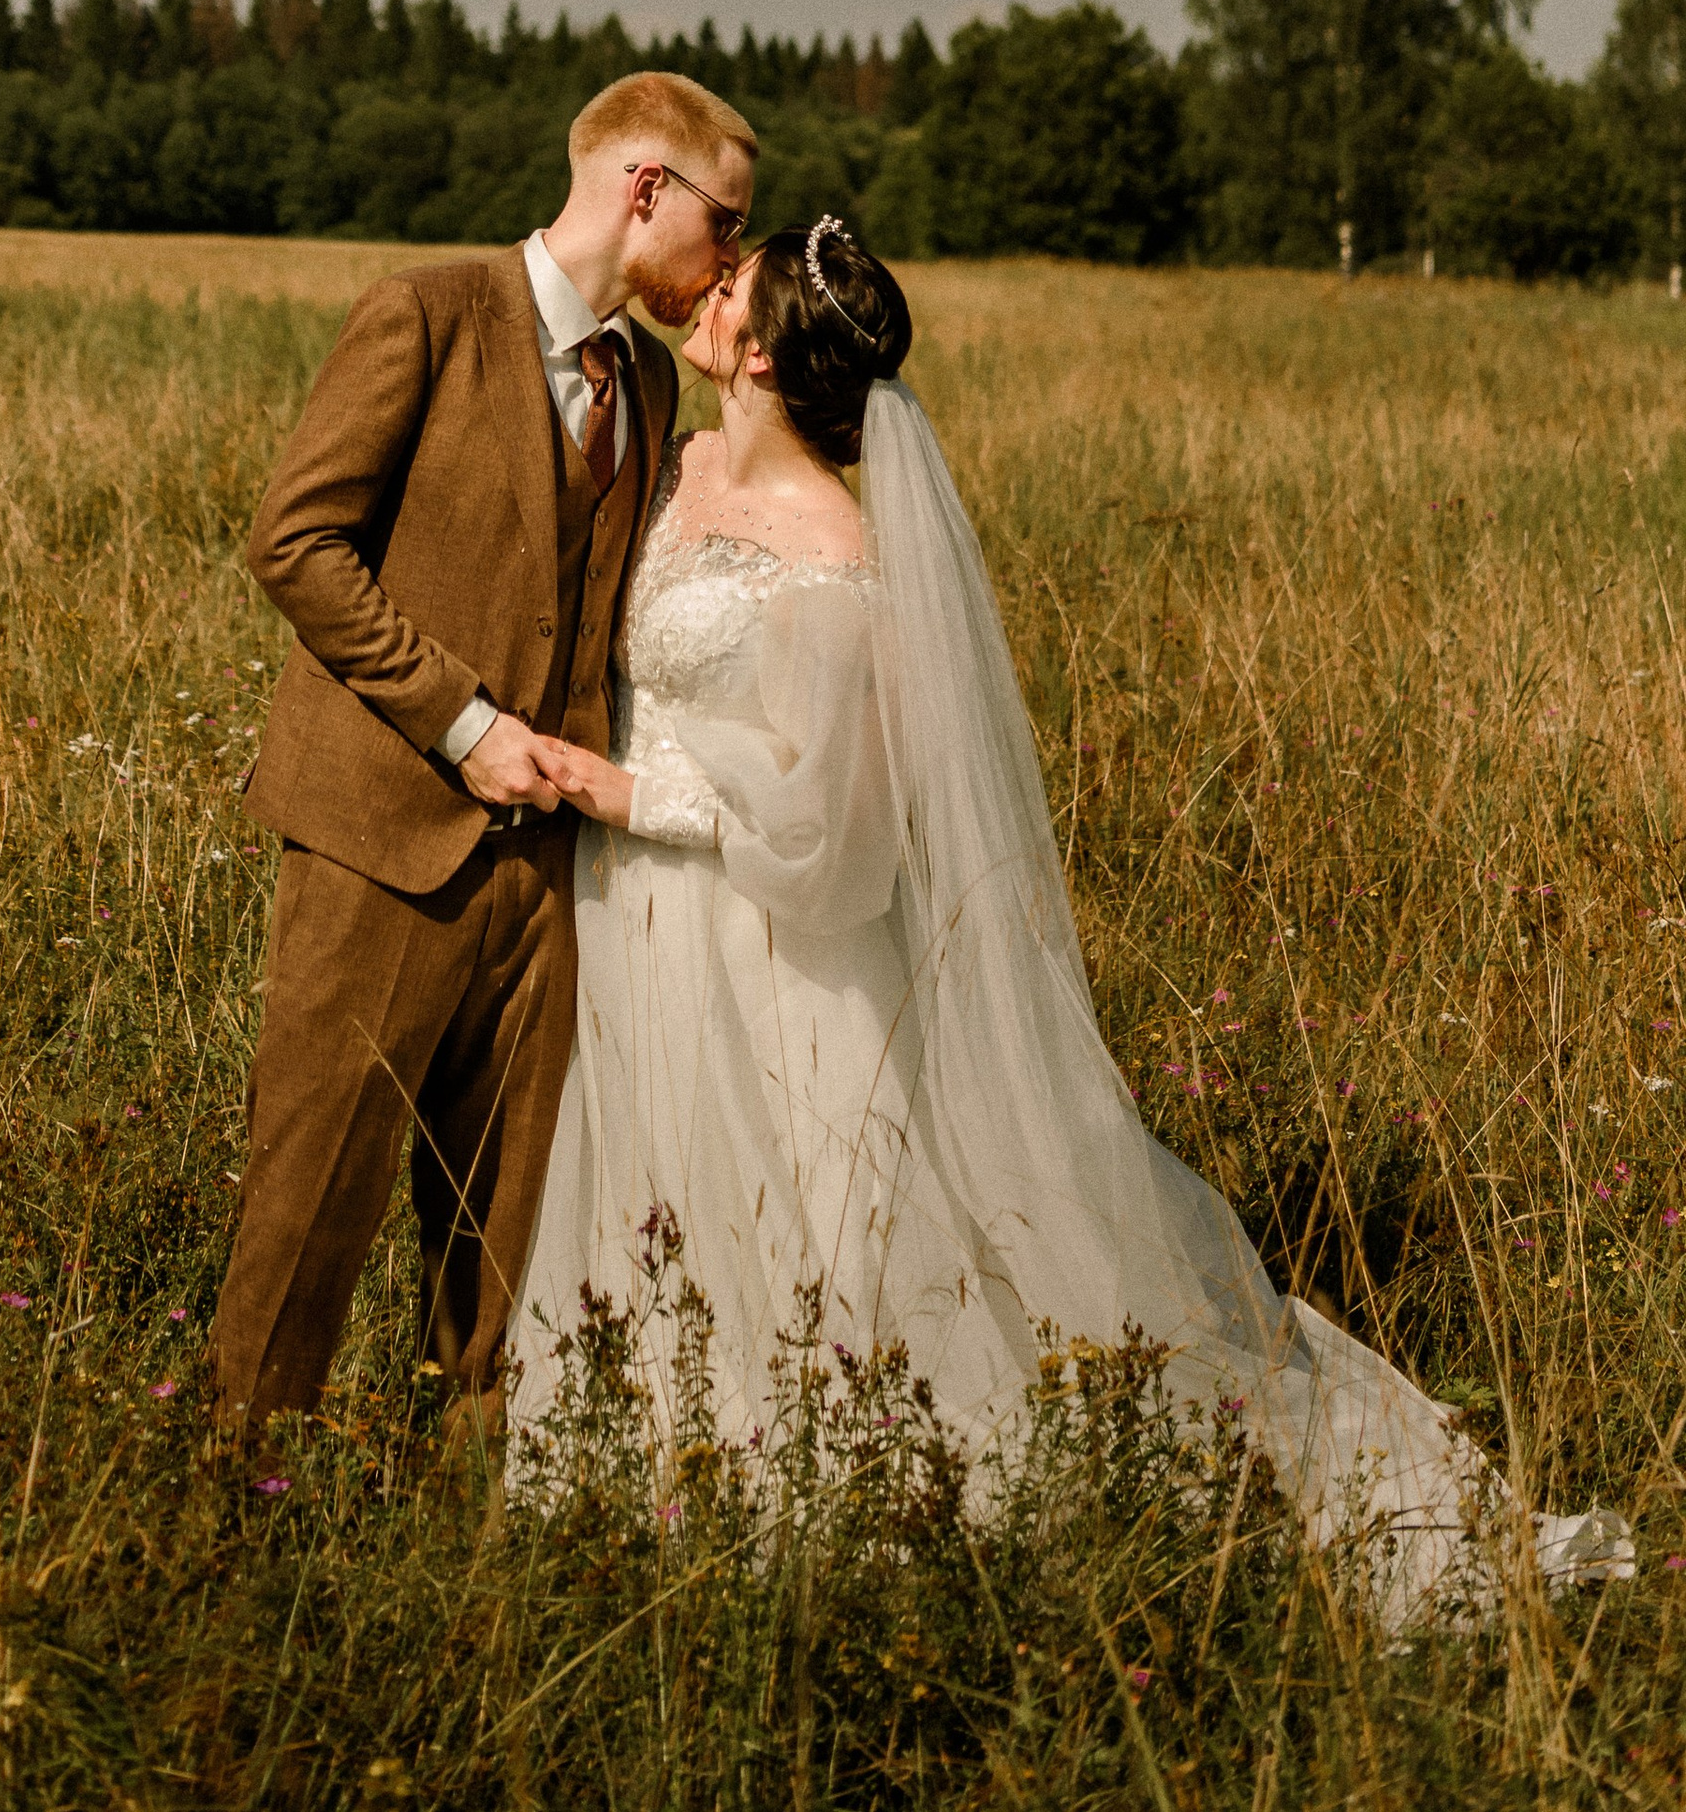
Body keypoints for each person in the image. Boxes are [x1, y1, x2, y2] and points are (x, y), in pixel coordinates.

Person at [516, 215, 1633, 1616]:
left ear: (753, 348)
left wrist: (625, 798)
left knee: (814, 1229)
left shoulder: (833, 554)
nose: (705, 280)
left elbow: (834, 833)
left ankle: (846, 1484)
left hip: (762, 939)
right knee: (659, 1202)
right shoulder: (672, 465)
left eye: (731, 281)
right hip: (631, 930)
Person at [208, 71, 757, 1432]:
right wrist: (465, 728)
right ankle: (223, 1504)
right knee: (310, 1199)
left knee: (512, 1222)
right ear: (646, 191)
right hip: (384, 846)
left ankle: (467, 1533)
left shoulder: (638, 377)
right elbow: (294, 543)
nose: (732, 259)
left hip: (553, 873)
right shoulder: (426, 317)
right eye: (725, 222)